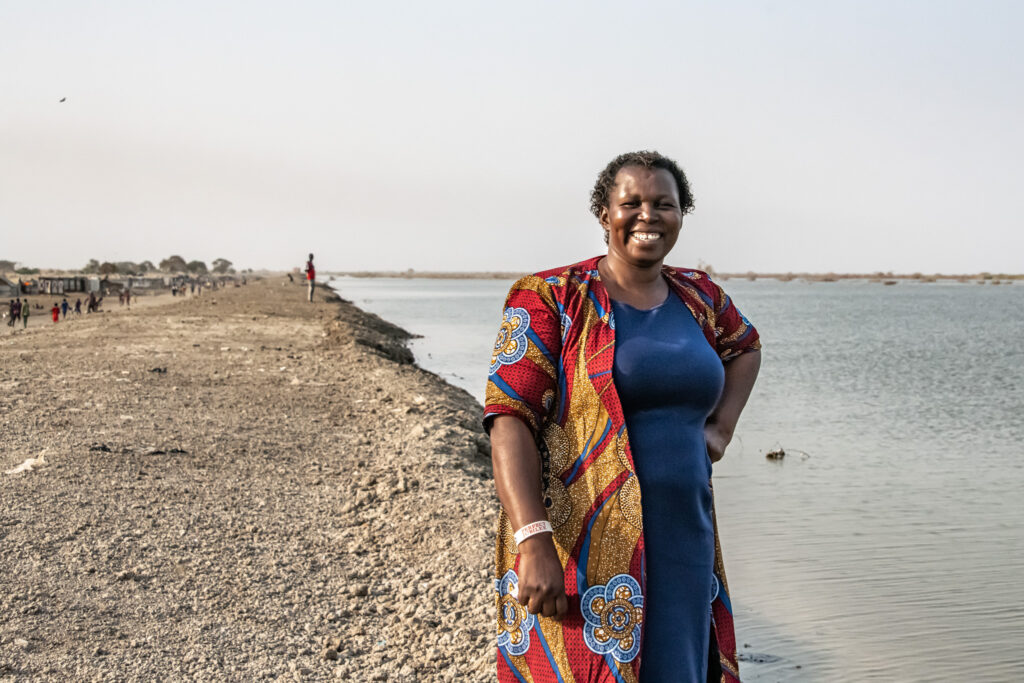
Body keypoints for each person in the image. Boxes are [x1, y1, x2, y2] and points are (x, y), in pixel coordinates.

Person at [485, 151, 761, 683]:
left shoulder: (699, 295)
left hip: (684, 532)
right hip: (584, 542)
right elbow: (508, 419)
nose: (648, 216)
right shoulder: (551, 297)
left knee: (677, 667)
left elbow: (745, 347)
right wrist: (533, 539)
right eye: (630, 202)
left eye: (665, 204)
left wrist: (720, 430)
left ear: (683, 214)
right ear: (604, 212)